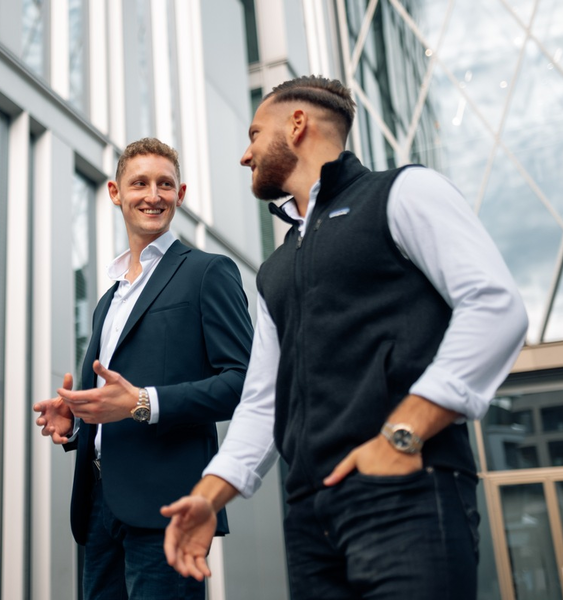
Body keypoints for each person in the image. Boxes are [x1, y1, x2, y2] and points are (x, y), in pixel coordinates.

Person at [161, 76, 529, 599]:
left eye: (254, 133)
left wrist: (403, 434)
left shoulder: (403, 192)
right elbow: (264, 400)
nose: (245, 155)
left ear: (297, 123)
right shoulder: (275, 267)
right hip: (311, 519)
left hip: (405, 490)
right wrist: (209, 495)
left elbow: (496, 307)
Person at [33, 137, 253, 600]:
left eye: (164, 184)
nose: (153, 194)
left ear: (181, 194)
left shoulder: (209, 273)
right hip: (97, 509)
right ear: (116, 192)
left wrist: (140, 403)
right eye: (140, 183)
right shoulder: (106, 301)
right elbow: (109, 402)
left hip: (168, 508)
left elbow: (242, 382)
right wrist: (77, 421)